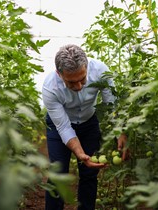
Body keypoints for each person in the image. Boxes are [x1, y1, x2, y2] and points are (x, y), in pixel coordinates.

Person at [42, 44, 128, 210]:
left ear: (87, 67)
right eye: (71, 82)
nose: (79, 86)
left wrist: (121, 133)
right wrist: (79, 153)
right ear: (59, 74)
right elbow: (64, 127)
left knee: (89, 174)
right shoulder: (50, 88)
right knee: (58, 174)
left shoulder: (101, 71)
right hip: (59, 125)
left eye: (82, 79)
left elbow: (112, 106)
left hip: (89, 122)